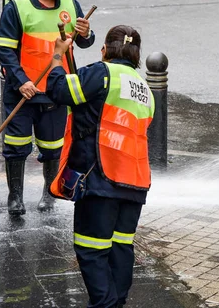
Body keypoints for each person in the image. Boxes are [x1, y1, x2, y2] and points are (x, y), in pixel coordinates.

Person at [46, 25, 155, 308]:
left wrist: (58, 56)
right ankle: (115, 303)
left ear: (105, 50)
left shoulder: (101, 73)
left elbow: (59, 90)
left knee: (91, 250)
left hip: (101, 178)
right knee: (120, 249)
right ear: (136, 56)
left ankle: (105, 305)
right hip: (135, 181)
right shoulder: (144, 89)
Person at [0, 0, 95, 216]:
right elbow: (5, 51)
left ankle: (49, 193)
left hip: (57, 91)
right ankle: (15, 198)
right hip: (22, 91)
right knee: (16, 147)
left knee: (52, 147)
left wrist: (86, 34)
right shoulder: (16, 6)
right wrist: (22, 81)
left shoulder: (71, 4)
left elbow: (83, 41)